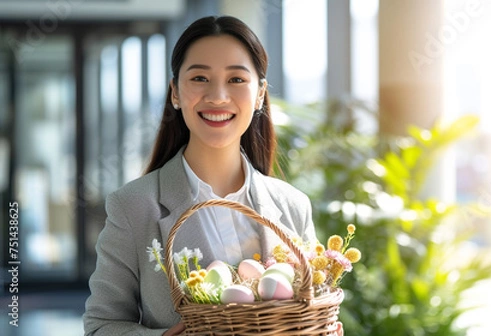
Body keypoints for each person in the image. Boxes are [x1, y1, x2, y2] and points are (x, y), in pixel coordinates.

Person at [83, 16, 343, 335]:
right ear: (175, 93)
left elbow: (311, 307)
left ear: (260, 93)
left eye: (236, 79)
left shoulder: (292, 206)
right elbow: (101, 325)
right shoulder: (133, 207)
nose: (218, 96)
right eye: (200, 78)